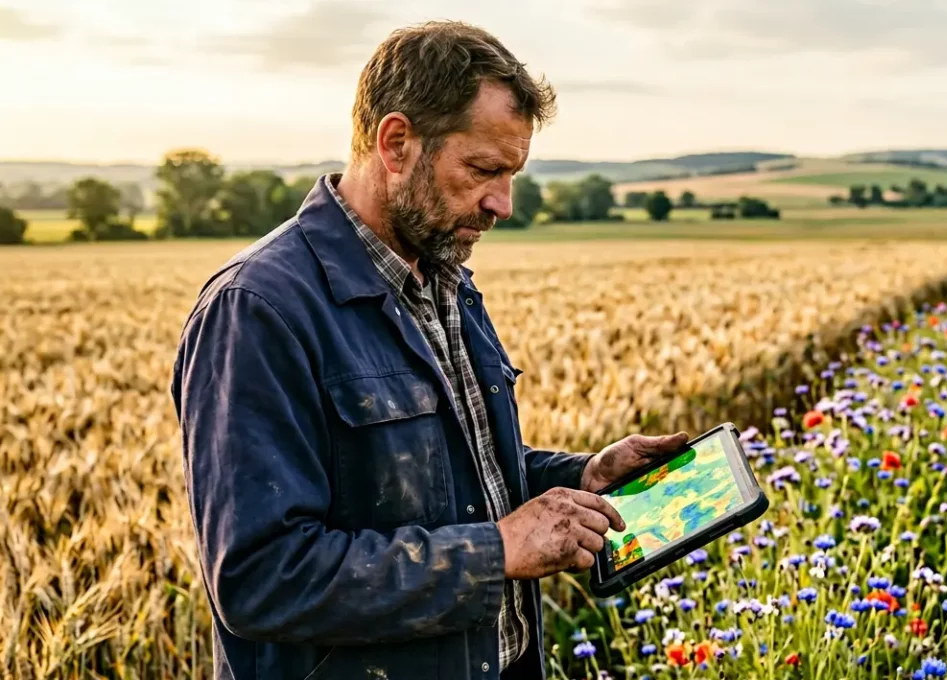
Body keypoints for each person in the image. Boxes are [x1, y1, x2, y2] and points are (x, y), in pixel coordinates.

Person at [170, 20, 687, 680]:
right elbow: (260, 577)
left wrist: (580, 477)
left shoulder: (444, 280)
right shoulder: (259, 310)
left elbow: (449, 478)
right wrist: (495, 552)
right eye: (483, 170)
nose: (502, 203)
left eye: (512, 175)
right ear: (396, 143)